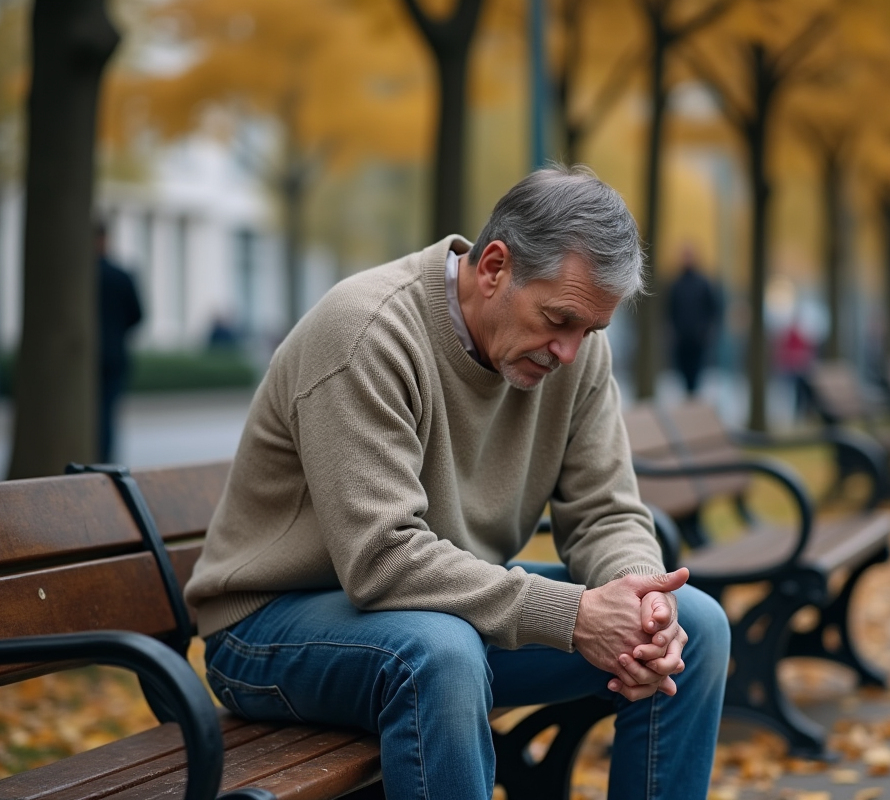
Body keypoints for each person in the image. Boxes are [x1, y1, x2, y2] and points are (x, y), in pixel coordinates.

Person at [184, 167, 731, 800]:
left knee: (695, 627)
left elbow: (605, 511)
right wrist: (573, 613)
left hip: (445, 615)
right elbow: (382, 559)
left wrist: (644, 602)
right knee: (440, 655)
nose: (569, 352)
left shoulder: (575, 352)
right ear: (495, 267)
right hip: (268, 629)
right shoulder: (368, 332)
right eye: (559, 319)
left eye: (590, 331)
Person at [96, 221, 143, 463]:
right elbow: (137, 315)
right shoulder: (121, 276)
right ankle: (104, 458)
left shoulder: (76, 277)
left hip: (84, 358)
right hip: (114, 355)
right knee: (107, 413)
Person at [667, 248, 720, 396]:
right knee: (683, 370)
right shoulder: (676, 284)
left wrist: (705, 330)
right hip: (682, 338)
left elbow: (712, 309)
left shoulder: (703, 284)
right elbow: (669, 310)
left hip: (698, 338)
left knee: (696, 372)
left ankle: (693, 397)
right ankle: (689, 397)